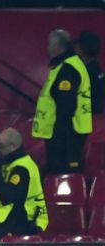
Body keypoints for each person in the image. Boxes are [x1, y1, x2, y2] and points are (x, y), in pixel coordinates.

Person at [32, 29, 92, 174]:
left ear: (57, 47)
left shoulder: (68, 69)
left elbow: (66, 106)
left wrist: (59, 135)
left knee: (64, 175)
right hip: (66, 132)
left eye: (49, 44)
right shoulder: (66, 66)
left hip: (66, 134)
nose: (47, 48)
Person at [0, 127, 48, 240]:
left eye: (0, 146)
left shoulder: (22, 169)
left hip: (21, 221)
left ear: (12, 146)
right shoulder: (15, 163)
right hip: (12, 218)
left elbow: (7, 197)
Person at [74, 30, 104, 114]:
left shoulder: (85, 73)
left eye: (78, 44)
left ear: (83, 48)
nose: (75, 47)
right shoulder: (97, 70)